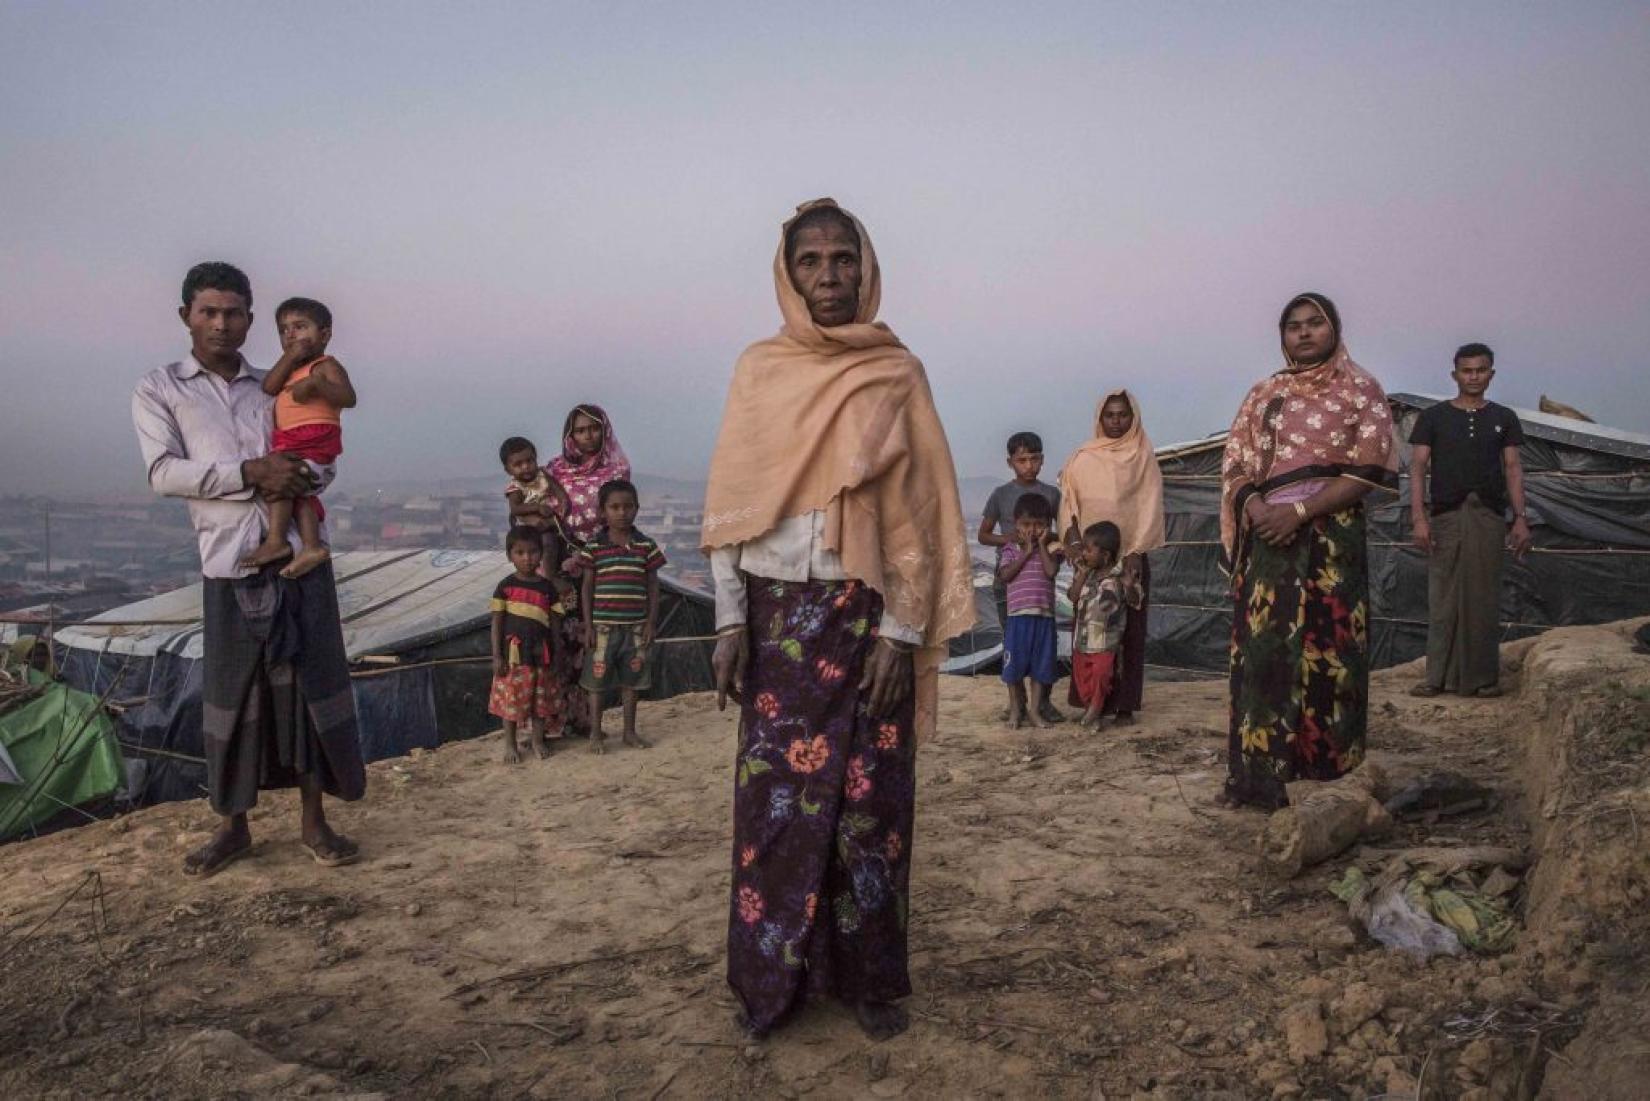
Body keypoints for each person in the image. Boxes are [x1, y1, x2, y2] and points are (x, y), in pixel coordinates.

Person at [703, 199, 974, 1043]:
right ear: (788, 273)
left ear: (866, 267)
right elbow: (731, 507)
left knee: (870, 807)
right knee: (775, 810)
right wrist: (729, 621)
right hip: (776, 615)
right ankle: (771, 985)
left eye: (842, 258)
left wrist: (902, 631)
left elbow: (918, 510)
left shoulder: (896, 372)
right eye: (811, 260)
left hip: (867, 620)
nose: (828, 276)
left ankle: (869, 981)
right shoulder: (759, 370)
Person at [132, 262, 365, 876]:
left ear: (250, 321)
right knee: (233, 700)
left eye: (233, 313)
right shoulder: (161, 389)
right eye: (208, 311)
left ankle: (315, 823)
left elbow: (323, 446)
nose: (221, 323)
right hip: (226, 563)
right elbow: (163, 473)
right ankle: (232, 828)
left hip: (297, 557)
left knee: (310, 691)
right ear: (186, 316)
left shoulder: (279, 384)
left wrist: (299, 475)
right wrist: (248, 475)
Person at [1219, 292, 1398, 809]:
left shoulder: (1361, 390)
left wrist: (1300, 512)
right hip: (1269, 542)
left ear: (1334, 329)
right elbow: (1236, 462)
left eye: (1314, 323)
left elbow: (1369, 467)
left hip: (1330, 541)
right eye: (1293, 325)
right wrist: (1257, 509)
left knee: (1329, 650)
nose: (1303, 333)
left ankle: (1327, 778)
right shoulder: (1263, 395)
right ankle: (1259, 779)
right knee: (1265, 655)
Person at [1408, 344, 1530, 698]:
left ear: (1491, 374)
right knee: (1442, 594)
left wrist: (1520, 518)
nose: (1473, 377)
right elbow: (1417, 468)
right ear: (1455, 375)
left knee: (1484, 595)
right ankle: (1436, 678)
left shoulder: (1503, 418)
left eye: (1480, 370)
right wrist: (1419, 518)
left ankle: (1481, 679)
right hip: (1445, 515)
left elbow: (1512, 468)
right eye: (1467, 370)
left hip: (1489, 515)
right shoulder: (1433, 417)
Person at [1057, 390, 1165, 724]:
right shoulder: (1082, 457)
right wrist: (1076, 547)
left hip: (1130, 557)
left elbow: (1149, 505)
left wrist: (1135, 550)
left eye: (1123, 415)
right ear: (1099, 418)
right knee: (1089, 631)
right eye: (1110, 415)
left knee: (1128, 633)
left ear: (1133, 417)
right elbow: (1069, 502)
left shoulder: (1143, 455)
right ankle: (1092, 701)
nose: (1116, 421)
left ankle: (1124, 705)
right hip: (1093, 559)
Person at [241, 298, 357, 579]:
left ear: (325, 335)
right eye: (283, 330)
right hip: (290, 441)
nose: (290, 335)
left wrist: (318, 385)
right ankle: (311, 546)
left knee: (283, 483)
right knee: (293, 491)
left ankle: (277, 541)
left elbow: (349, 398)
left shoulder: (325, 366)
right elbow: (269, 387)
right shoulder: (290, 369)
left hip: (315, 442)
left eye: (300, 327)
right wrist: (289, 358)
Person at [546, 405, 631, 735]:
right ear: (570, 435)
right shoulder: (553, 470)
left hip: (601, 564)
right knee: (560, 641)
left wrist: (592, 554)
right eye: (580, 430)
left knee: (592, 642)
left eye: (594, 429)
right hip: (561, 565)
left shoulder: (617, 469)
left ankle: (585, 722)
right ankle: (556, 721)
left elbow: (618, 518)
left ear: (604, 430)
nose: (588, 436)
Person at [978, 431, 1064, 723]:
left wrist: (1043, 538)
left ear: (1042, 460)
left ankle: (1044, 704)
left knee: (1043, 644)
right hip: (1010, 580)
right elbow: (983, 534)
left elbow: (1061, 533)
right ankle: (1016, 703)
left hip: (1040, 581)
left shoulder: (1052, 494)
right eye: (1022, 460)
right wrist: (1011, 541)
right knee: (1012, 643)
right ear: (1010, 462)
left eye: (1034, 459)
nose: (1029, 465)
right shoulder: (1000, 495)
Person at [578, 479, 664, 753]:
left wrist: (651, 622)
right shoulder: (594, 547)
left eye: (628, 506)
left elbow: (653, 586)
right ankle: (595, 735)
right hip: (602, 629)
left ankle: (629, 732)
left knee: (632, 682)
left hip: (636, 628)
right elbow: (587, 588)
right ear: (602, 511)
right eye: (614, 507)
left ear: (637, 509)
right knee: (597, 683)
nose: (621, 512)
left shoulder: (646, 546)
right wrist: (588, 626)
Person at [489, 526, 563, 763]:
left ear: (541, 554)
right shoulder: (505, 587)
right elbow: (497, 624)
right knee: (512, 702)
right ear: (510, 555)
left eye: (533, 552)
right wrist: (497, 656)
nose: (527, 558)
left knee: (539, 703)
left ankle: (537, 741)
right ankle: (510, 745)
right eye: (520, 552)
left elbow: (554, 623)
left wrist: (558, 651)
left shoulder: (547, 588)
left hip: (541, 655)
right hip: (513, 658)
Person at [997, 492, 1060, 729]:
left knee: (1040, 668)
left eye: (1039, 525)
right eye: (1026, 525)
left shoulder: (1052, 548)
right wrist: (1025, 553)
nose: (1032, 530)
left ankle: (1034, 711)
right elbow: (1005, 575)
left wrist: (1041, 546)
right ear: (1016, 524)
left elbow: (1051, 572)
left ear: (1048, 526)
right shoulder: (1011, 550)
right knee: (1013, 668)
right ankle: (1015, 710)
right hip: (1018, 618)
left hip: (1044, 617)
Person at [1069, 521, 1135, 729]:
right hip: (1082, 639)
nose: (1084, 554)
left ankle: (1095, 709)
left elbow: (1134, 601)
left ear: (1105, 555)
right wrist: (1080, 575)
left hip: (1106, 641)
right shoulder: (1086, 574)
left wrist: (1130, 587)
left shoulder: (1119, 576)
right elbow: (1072, 596)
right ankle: (1093, 713)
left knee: (1100, 676)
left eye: (1088, 550)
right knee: (1082, 677)